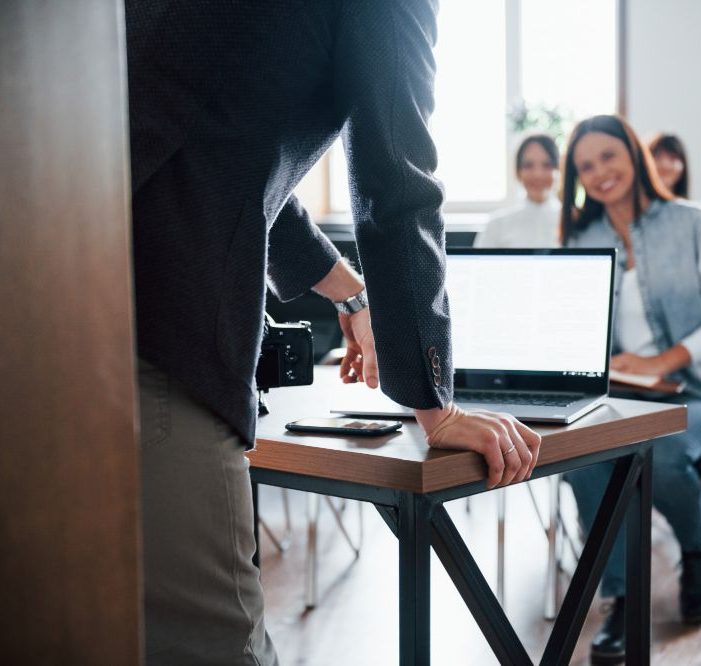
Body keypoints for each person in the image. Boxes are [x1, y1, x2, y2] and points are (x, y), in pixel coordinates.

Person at [126, 3, 540, 663]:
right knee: (210, 644)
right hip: (137, 322)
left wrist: (351, 294)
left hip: (56, 281)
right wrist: (437, 408)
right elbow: (396, 184)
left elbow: (228, 151)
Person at [559, 115, 701, 659]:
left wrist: (664, 360)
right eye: (584, 166)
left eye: (608, 157)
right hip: (618, 395)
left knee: (660, 452)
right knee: (584, 460)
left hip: (700, 390)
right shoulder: (582, 237)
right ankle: (621, 597)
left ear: (634, 155)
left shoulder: (697, 222)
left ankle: (697, 549)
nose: (599, 173)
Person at [473, 133, 561, 247]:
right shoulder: (496, 225)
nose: (537, 174)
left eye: (547, 165)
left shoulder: (576, 223)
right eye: (528, 165)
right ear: (518, 171)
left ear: (558, 169)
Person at [649, 132, 691, 198]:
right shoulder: (634, 207)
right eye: (657, 156)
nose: (665, 165)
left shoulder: (692, 208)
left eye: (673, 157)